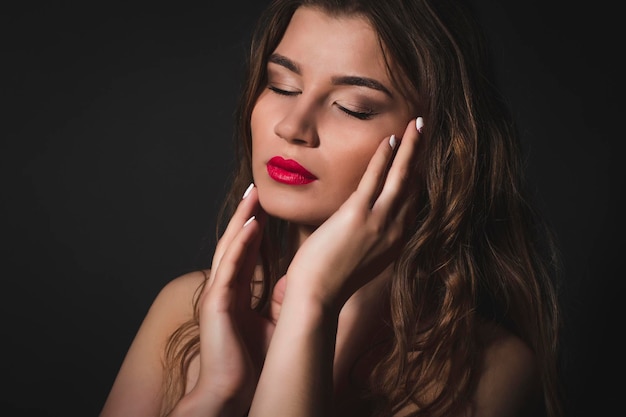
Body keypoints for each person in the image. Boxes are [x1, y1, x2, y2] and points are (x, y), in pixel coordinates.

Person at [99, 0, 562, 416]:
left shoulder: (488, 370)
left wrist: (311, 303)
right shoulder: (186, 311)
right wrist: (216, 395)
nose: (294, 126)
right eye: (281, 85)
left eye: (353, 107)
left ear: (436, 147)